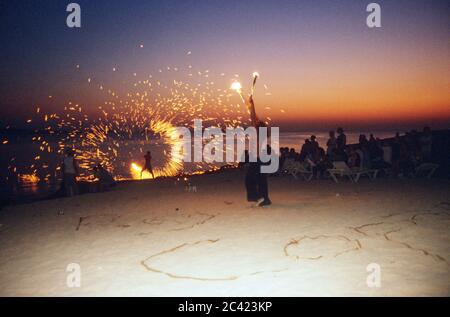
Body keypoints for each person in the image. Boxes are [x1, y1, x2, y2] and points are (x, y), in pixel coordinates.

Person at [244, 95, 271, 207]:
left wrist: (252, 105)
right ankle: (265, 199)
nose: (254, 123)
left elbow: (253, 117)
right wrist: (251, 106)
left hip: (258, 160)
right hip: (261, 159)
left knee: (249, 179)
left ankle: (259, 198)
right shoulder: (262, 134)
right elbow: (255, 118)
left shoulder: (257, 133)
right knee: (261, 179)